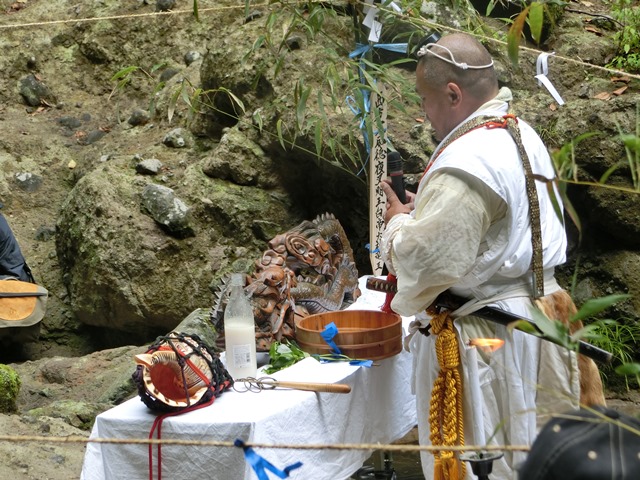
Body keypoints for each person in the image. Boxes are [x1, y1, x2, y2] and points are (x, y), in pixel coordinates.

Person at [380, 33, 604, 479]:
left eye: (425, 101)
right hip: (544, 316)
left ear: (452, 93)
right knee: (541, 457)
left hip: (489, 340)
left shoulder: (468, 159)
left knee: (493, 460)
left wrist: (398, 224)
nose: (425, 116)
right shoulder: (522, 134)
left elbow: (430, 261)